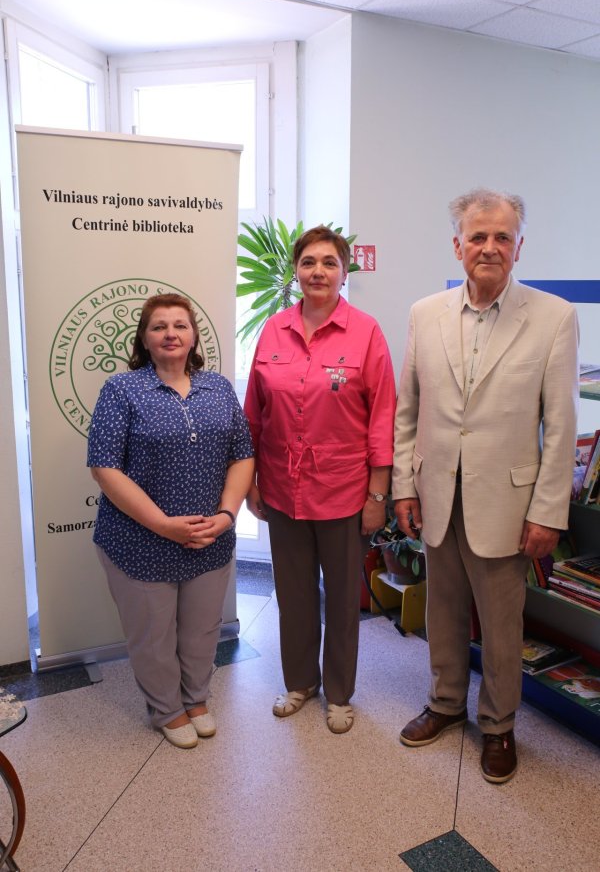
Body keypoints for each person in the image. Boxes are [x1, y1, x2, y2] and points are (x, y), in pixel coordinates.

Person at [393, 188, 579, 782]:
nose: (490, 247)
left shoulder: (554, 317)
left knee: (501, 625)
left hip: (508, 502)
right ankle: (445, 702)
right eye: (478, 236)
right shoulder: (425, 313)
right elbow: (408, 410)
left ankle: (498, 725)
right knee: (443, 609)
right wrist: (403, 486)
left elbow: (561, 424)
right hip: (437, 495)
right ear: (458, 246)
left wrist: (548, 511)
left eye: (503, 237)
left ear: (519, 247)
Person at [244, 225, 396, 734]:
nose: (318, 271)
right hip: (281, 488)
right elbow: (253, 415)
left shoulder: (366, 332)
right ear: (295, 270)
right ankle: (300, 683)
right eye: (309, 262)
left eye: (330, 262)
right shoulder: (274, 330)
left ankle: (340, 693)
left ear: (344, 271)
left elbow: (382, 417)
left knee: (342, 599)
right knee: (293, 593)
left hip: (344, 490)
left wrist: (377, 494)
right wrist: (250, 481)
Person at [87, 293, 254, 749]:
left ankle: (196, 699)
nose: (170, 334)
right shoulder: (122, 390)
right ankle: (166, 709)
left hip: (209, 538)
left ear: (194, 336)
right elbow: (104, 467)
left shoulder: (218, 388)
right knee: (153, 634)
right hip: (138, 541)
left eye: (180, 325)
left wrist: (227, 515)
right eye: (159, 326)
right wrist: (164, 525)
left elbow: (243, 454)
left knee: (202, 629)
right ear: (144, 338)